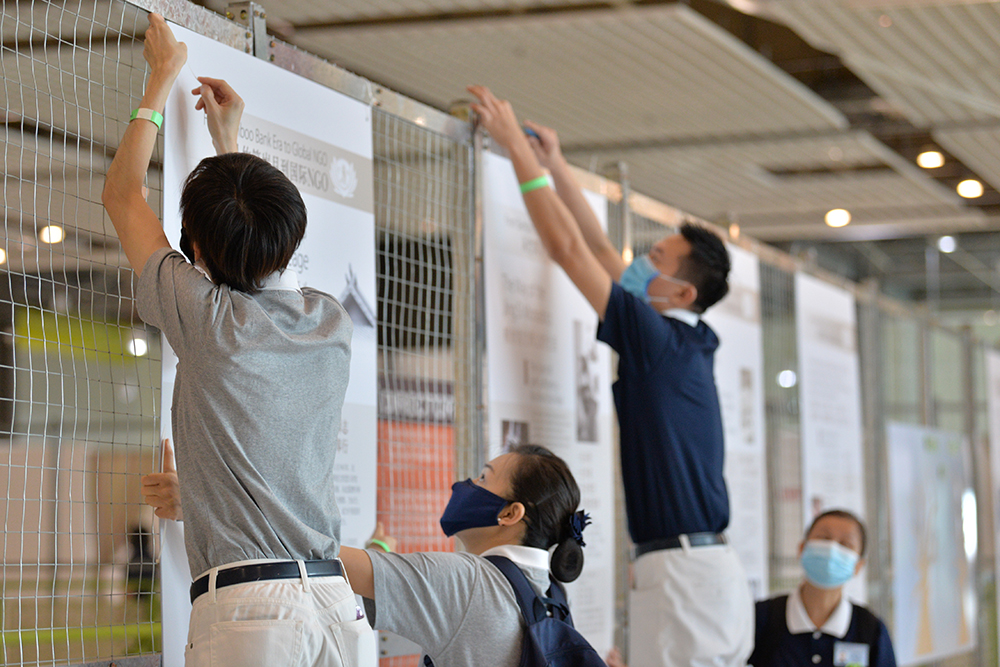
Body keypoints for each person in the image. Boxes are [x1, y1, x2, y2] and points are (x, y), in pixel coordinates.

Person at [103, 15, 373, 666]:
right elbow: (251, 254)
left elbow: (121, 197)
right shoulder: (329, 320)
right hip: (337, 606)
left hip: (254, 617)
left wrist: (160, 76)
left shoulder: (209, 320)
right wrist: (230, 150)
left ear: (195, 252)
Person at [467, 85, 753, 667]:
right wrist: (556, 164)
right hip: (695, 571)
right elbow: (599, 249)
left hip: (683, 579)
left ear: (680, 291)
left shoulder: (660, 341)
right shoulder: (688, 337)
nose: (640, 261)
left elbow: (570, 249)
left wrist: (511, 146)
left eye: (657, 258)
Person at [143, 443, 596, 667]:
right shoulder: (548, 593)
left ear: (510, 513)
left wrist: (199, 501)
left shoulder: (471, 582)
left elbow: (312, 553)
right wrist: (377, 554)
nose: (467, 484)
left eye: (484, 476)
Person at [750, 510, 896, 667]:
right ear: (801, 548)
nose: (832, 548)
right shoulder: (762, 617)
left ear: (859, 565)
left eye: (845, 544)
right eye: (824, 538)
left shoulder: (870, 629)